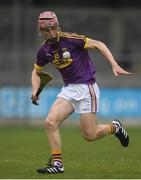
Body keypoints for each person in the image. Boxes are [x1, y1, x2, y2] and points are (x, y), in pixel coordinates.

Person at [31, 11, 131, 174]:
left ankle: (115, 127)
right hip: (69, 89)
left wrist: (114, 64)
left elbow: (99, 44)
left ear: (58, 26)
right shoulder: (44, 50)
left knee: (89, 135)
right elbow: (36, 72)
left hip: (87, 88)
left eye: (53, 28)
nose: (51, 32)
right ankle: (57, 164)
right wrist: (35, 89)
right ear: (41, 31)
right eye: (46, 30)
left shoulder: (71, 40)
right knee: (50, 122)